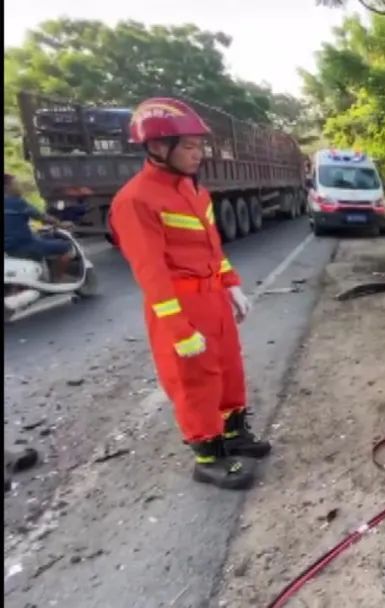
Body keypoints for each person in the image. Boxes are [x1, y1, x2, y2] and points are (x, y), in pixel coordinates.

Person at [109, 97, 269, 491]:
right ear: (159, 147)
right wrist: (179, 330)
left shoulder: (195, 192)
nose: (199, 155)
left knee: (229, 369)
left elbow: (212, 247)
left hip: (213, 297)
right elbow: (151, 271)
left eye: (200, 146)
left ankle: (234, 435)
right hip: (180, 304)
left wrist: (232, 286)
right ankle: (209, 458)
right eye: (190, 147)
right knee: (195, 380)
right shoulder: (136, 200)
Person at [4, 174, 76, 281]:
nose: (19, 187)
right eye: (16, 184)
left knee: (42, 238)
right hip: (25, 245)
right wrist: (60, 224)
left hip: (8, 248)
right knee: (66, 248)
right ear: (7, 187)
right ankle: (56, 280)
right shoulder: (17, 203)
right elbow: (41, 216)